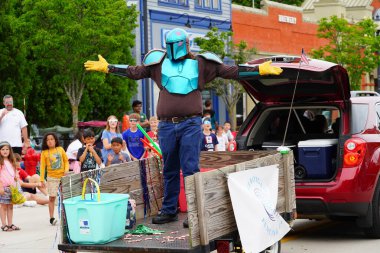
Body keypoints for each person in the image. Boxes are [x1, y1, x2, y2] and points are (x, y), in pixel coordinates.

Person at [84, 27, 282, 226]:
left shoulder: (202, 63)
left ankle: (195, 212)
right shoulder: (158, 63)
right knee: (169, 169)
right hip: (167, 125)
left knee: (190, 169)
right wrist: (109, 67)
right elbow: (135, 72)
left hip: (190, 124)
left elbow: (230, 71)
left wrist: (258, 70)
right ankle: (170, 210)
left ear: (186, 45)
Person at [39, 132, 69, 225]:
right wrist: (41, 180)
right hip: (51, 178)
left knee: (65, 197)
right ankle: (51, 218)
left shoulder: (60, 149)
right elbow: (42, 167)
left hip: (63, 177)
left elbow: (66, 161)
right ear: (45, 142)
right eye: (48, 140)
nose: (50, 141)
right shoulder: (44, 153)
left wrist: (66, 170)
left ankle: (66, 216)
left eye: (52, 139)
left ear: (55, 140)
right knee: (52, 197)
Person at [0, 141, 21, 232]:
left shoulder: (11, 161)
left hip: (11, 188)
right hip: (3, 187)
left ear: (10, 150)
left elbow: (14, 172)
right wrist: (0, 186)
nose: (5, 151)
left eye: (7, 149)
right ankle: (4, 224)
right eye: (3, 149)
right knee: (4, 206)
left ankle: (10, 224)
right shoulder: (1, 162)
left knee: (10, 206)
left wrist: (16, 176)